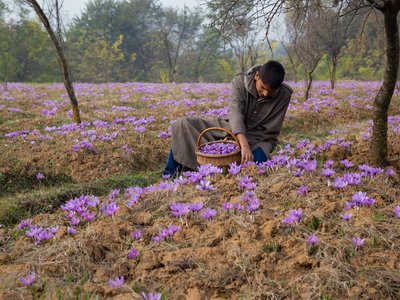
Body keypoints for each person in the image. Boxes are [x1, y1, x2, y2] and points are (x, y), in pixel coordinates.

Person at [163, 60, 293, 178]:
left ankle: (218, 175)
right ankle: (169, 174)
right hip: (230, 128)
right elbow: (235, 113)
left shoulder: (284, 95)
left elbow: (271, 129)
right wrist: (243, 144)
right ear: (257, 76)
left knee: (254, 165)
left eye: (270, 92)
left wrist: (247, 145)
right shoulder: (240, 82)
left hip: (259, 139)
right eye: (263, 88)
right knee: (183, 126)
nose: (265, 94)